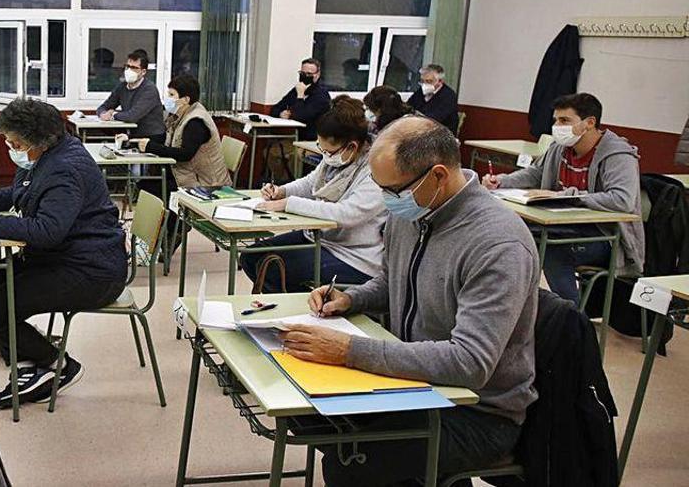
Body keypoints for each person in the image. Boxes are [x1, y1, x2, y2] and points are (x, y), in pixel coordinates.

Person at [280, 117, 538, 486]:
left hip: (475, 410)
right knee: (309, 414)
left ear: (437, 176)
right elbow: (394, 280)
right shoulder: (414, 211)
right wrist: (351, 298)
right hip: (415, 382)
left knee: (349, 461)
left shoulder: (498, 244)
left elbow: (470, 363)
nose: (386, 199)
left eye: (392, 189)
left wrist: (349, 350)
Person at [0, 98, 128, 408]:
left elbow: (46, 231)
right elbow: (18, 193)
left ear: (36, 141)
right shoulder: (43, 157)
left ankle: (57, 365)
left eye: (14, 142)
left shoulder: (64, 169)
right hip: (65, 257)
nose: (10, 146)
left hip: (93, 270)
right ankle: (22, 351)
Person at [482, 93, 645, 304]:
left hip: (606, 236)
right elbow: (535, 173)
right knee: (515, 233)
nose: (557, 126)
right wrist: (501, 181)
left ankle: (571, 320)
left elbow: (622, 200)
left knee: (552, 251)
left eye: (565, 121)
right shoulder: (560, 147)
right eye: (556, 120)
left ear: (589, 123)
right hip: (563, 225)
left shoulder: (618, 155)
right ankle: (508, 304)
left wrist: (564, 197)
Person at [238, 96, 386, 292]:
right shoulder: (337, 157)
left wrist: (289, 203)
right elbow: (310, 183)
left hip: (353, 256)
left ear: (352, 147)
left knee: (272, 267)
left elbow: (348, 214)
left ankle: (298, 310)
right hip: (319, 237)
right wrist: (281, 191)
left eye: (329, 152)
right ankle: (293, 303)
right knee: (251, 257)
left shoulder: (376, 170)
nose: (325, 156)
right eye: (321, 149)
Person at [120, 73, 230, 238]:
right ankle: (159, 235)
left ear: (185, 99)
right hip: (187, 175)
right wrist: (134, 141)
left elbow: (185, 154)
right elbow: (166, 139)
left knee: (155, 190)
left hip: (205, 183)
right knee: (147, 185)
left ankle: (173, 232)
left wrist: (150, 147)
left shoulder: (195, 122)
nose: (167, 98)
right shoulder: (180, 115)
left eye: (172, 95)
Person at [96, 49, 166, 141]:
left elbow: (132, 116)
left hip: (151, 137)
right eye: (127, 66)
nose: (129, 70)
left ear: (143, 72)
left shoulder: (149, 89)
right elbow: (103, 106)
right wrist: (103, 114)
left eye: (134, 68)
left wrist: (113, 114)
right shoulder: (122, 86)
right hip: (131, 135)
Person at [272, 58, 332, 140]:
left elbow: (300, 117)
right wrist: (281, 113)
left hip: (315, 140)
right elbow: (275, 108)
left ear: (317, 75)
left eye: (309, 74)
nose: (305, 77)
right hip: (297, 136)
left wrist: (300, 95)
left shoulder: (321, 95)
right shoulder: (297, 89)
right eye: (302, 73)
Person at [406, 64, 460, 135]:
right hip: (419, 131)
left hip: (441, 135)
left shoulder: (449, 96)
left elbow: (434, 119)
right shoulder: (420, 91)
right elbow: (408, 107)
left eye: (429, 81)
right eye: (422, 81)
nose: (424, 85)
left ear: (440, 81)